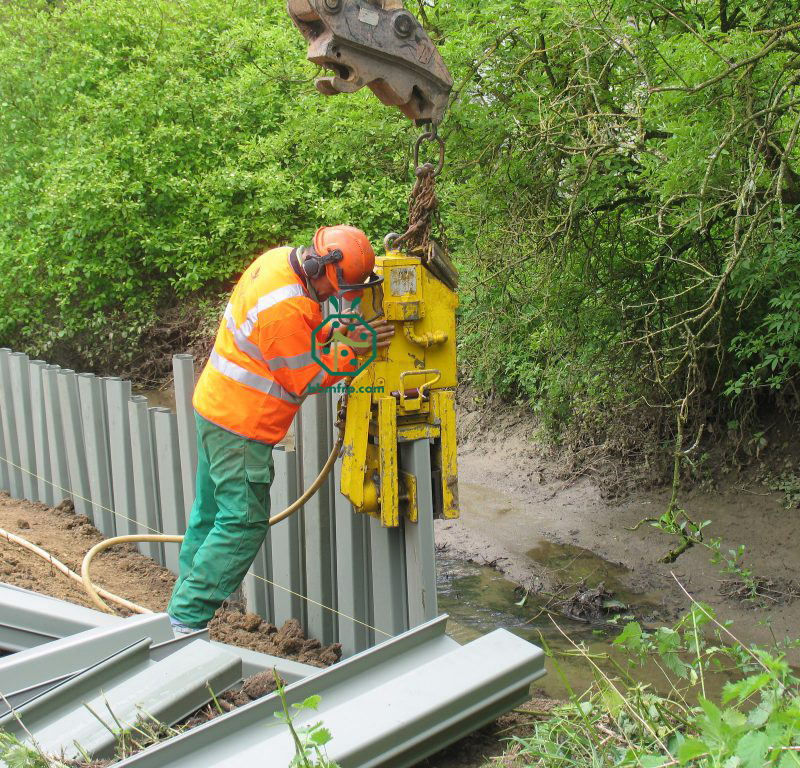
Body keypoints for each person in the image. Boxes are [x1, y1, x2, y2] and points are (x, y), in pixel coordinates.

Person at [167, 225, 394, 633]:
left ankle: (182, 605)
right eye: (338, 289)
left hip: (216, 408)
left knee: (209, 515)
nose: (334, 298)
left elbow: (302, 339)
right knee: (242, 522)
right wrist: (359, 347)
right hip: (241, 426)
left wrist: (340, 331)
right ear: (319, 267)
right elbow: (304, 377)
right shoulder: (284, 308)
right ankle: (187, 621)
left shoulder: (279, 263)